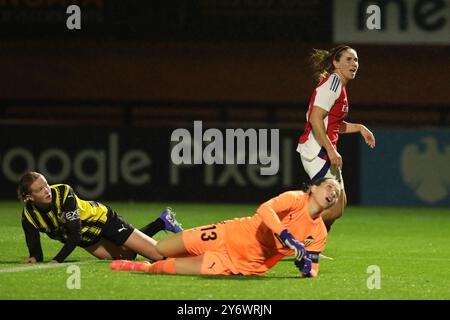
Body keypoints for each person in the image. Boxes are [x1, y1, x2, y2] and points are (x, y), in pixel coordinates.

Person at [110, 177, 341, 278]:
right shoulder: (295, 198)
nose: (333, 193)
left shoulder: (319, 233)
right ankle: (157, 228)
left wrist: (304, 266)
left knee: (166, 267)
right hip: (228, 234)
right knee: (160, 248)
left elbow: (313, 270)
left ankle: (140, 267)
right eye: (330, 187)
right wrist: (286, 236)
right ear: (313, 188)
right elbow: (264, 210)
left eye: (336, 193)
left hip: (241, 264)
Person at [18, 171, 183, 263]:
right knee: (129, 255)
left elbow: (75, 234)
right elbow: (35, 249)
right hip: (89, 241)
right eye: (40, 190)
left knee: (159, 256)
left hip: (104, 221)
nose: (47, 190)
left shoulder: (63, 192)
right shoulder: (29, 217)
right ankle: (162, 221)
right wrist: (34, 258)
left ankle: (193, 246)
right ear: (28, 197)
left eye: (46, 185)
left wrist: (57, 259)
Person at [297, 45, 376, 231]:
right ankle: (292, 233)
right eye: (348, 59)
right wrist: (331, 150)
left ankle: (309, 244)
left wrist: (359, 128)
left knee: (339, 204)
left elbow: (331, 124)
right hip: (317, 151)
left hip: (324, 149)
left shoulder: (338, 85)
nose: (354, 63)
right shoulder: (333, 84)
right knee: (333, 207)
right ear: (335, 62)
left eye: (355, 59)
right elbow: (315, 119)